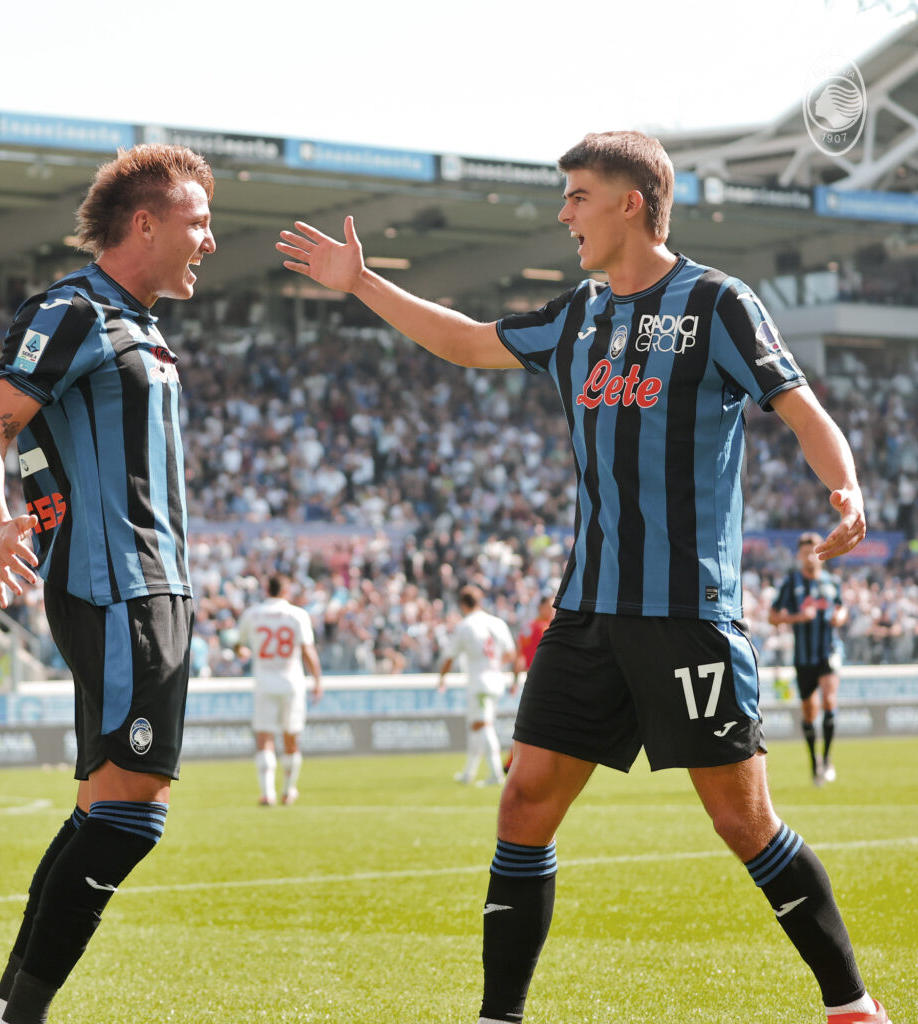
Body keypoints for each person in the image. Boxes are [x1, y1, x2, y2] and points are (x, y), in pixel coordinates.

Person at [276, 130, 890, 1024]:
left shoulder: (717, 303)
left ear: (630, 201)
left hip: (686, 612)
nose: (563, 213)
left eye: (577, 194)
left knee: (741, 821)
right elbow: (468, 342)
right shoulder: (579, 313)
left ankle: (851, 1005)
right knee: (522, 803)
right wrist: (363, 283)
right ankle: (500, 1017)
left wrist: (843, 484)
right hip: (587, 611)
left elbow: (799, 405)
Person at [0, 143, 216, 1024]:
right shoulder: (72, 311)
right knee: (130, 818)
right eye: (197, 222)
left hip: (151, 590)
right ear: (144, 223)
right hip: (116, 590)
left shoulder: (140, 324)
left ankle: (5, 1015)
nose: (210, 240)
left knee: (97, 813)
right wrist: (1, 521)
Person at [768, 532, 849, 786]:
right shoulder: (792, 582)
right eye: (804, 552)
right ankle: (815, 762)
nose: (809, 556)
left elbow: (841, 608)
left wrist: (840, 617)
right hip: (803, 657)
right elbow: (773, 616)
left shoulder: (831, 582)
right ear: (799, 555)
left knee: (829, 698)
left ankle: (827, 759)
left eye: (813, 550)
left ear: (821, 553)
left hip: (829, 651)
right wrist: (797, 618)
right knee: (809, 712)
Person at [236, 574, 323, 806]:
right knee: (291, 738)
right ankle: (288, 790)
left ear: (267, 589)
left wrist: (241, 652)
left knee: (265, 737)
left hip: (264, 682)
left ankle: (267, 793)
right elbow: (308, 651)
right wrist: (318, 680)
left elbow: (239, 644)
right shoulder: (298, 614)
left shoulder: (252, 614)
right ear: (286, 590)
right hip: (292, 682)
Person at [437, 585, 517, 786]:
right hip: (496, 678)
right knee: (475, 725)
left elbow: (449, 656)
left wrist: (442, 677)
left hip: (479, 681)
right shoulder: (497, 622)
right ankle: (468, 773)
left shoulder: (465, 626)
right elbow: (511, 654)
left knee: (483, 725)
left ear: (463, 604)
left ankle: (496, 774)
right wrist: (498, 666)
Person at [503, 594, 557, 773]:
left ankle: (512, 761)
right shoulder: (546, 627)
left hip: (529, 678)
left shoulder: (527, 627)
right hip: (543, 680)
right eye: (550, 607)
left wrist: (515, 679)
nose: (552, 610)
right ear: (541, 607)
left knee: (527, 723)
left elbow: (520, 656)